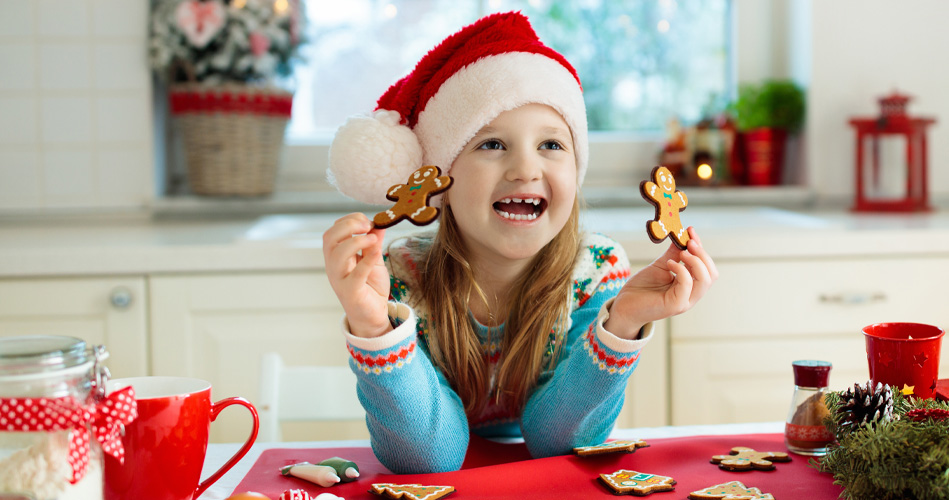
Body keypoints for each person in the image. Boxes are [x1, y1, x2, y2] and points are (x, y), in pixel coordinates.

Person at [321, 12, 717, 474]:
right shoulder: (400, 274)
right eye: (491, 145)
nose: (525, 170)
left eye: (551, 145)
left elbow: (559, 445)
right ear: (440, 182)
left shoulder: (598, 268)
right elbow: (429, 457)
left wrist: (622, 325)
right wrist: (374, 330)